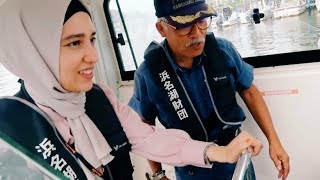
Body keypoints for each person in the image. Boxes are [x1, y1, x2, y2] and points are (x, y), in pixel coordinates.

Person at [0, 0, 263, 179]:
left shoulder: (99, 97)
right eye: (73, 43)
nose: (92, 56)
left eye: (92, 40)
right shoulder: (10, 131)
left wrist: (220, 152)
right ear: (33, 52)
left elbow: (149, 138)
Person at [128, 0, 290, 179]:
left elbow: (249, 92)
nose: (197, 33)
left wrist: (274, 141)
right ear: (161, 28)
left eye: (202, 21)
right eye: (185, 26)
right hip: (191, 170)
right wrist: (158, 174)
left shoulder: (223, 50)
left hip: (236, 159)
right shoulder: (147, 74)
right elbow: (145, 127)